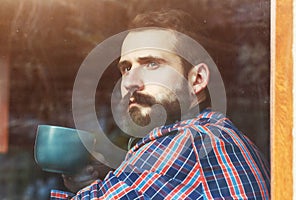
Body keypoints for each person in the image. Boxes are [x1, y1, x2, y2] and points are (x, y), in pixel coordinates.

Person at [51, 9, 270, 199]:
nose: (129, 83)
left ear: (197, 79)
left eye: (152, 64)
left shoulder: (189, 140)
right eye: (126, 68)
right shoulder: (217, 134)